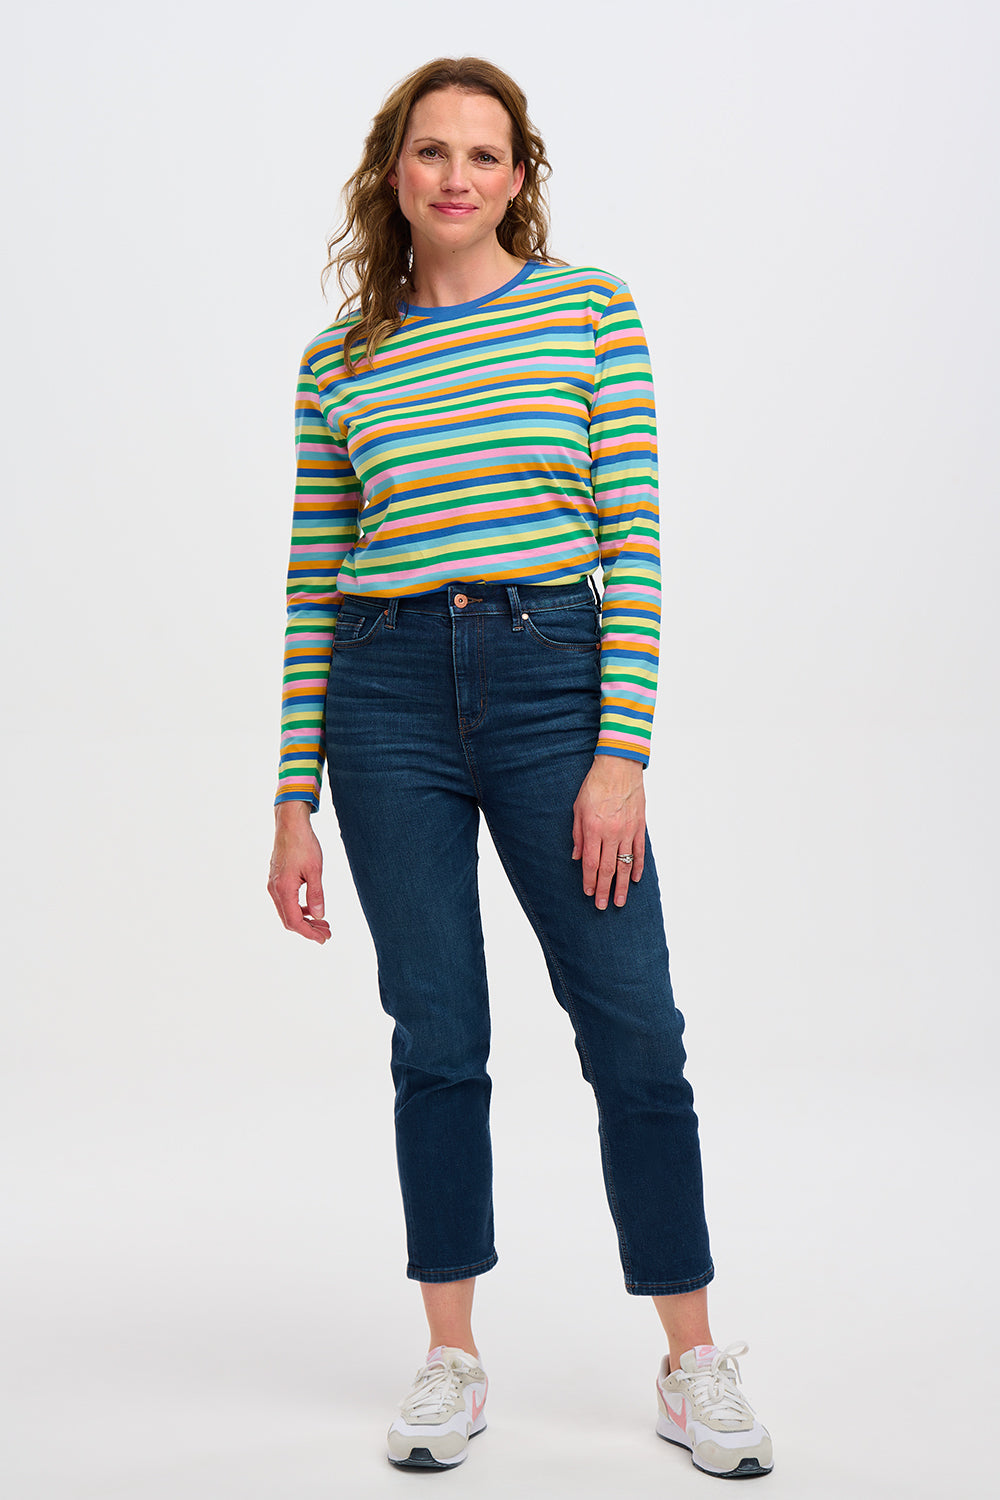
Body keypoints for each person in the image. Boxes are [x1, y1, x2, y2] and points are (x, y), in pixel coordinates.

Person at [267, 56, 772, 1480]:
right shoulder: (338, 360)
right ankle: (452, 1359)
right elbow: (312, 585)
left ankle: (692, 1362)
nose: (456, 177)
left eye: (483, 155)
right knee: (436, 1033)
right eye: (431, 151)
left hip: (555, 684)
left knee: (634, 1026)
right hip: (384, 700)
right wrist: (292, 798)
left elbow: (637, 538)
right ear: (394, 171)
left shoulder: (589, 310)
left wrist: (621, 755)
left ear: (518, 177)